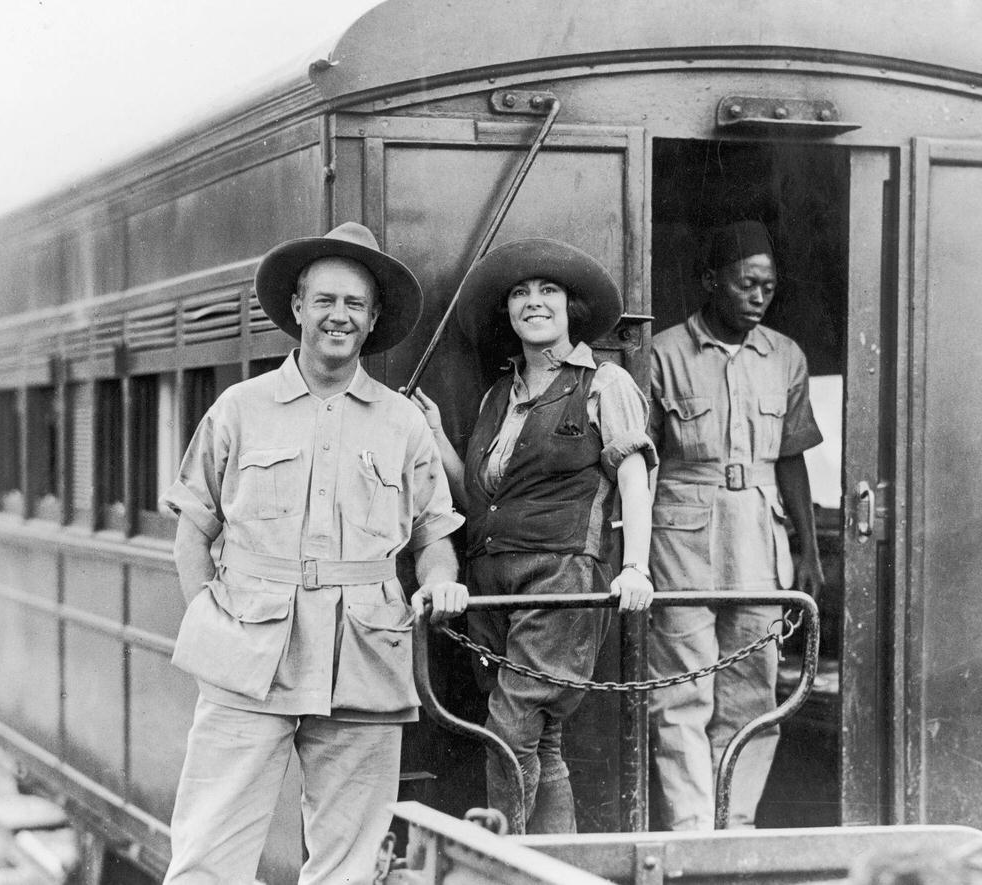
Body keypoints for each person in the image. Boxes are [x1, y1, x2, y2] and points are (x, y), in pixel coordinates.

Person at [159, 222, 468, 884]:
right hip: (249, 658)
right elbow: (193, 531)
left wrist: (440, 582)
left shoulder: (402, 421)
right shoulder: (240, 409)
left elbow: (434, 536)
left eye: (354, 304)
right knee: (207, 856)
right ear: (297, 307)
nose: (339, 316)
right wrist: (213, 623)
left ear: (374, 317)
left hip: (364, 660)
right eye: (325, 300)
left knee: (349, 868)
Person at [411, 238, 655, 835]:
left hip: (561, 578)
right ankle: (556, 866)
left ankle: (509, 865)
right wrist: (436, 434)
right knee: (540, 738)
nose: (533, 302)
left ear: (572, 308)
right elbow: (480, 502)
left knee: (510, 724)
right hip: (492, 581)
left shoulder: (605, 383)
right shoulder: (501, 396)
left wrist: (637, 568)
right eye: (520, 293)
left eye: (548, 291)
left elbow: (634, 478)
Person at [648, 219, 825, 830]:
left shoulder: (787, 357)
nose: (758, 296)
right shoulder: (662, 353)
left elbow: (792, 457)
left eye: (768, 287)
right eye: (746, 284)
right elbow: (638, 467)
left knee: (753, 685)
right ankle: (694, 828)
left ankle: (736, 824)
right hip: (679, 541)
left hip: (760, 537)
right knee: (682, 690)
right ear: (709, 283)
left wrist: (807, 551)